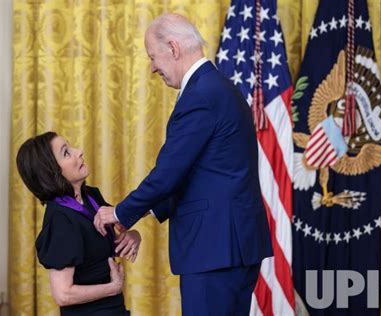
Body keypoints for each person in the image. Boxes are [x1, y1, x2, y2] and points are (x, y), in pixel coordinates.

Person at [93, 13, 273, 315]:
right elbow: (201, 172)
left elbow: (169, 173)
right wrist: (146, 212)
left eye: (153, 57)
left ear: (173, 48)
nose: (152, 68)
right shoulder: (218, 87)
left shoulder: (200, 94)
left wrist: (121, 212)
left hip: (215, 248)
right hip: (230, 246)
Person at [16, 131, 140, 316]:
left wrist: (134, 236)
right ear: (51, 172)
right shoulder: (60, 219)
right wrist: (113, 287)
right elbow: (63, 294)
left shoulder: (91, 197)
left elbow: (111, 234)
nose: (79, 151)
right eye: (66, 153)